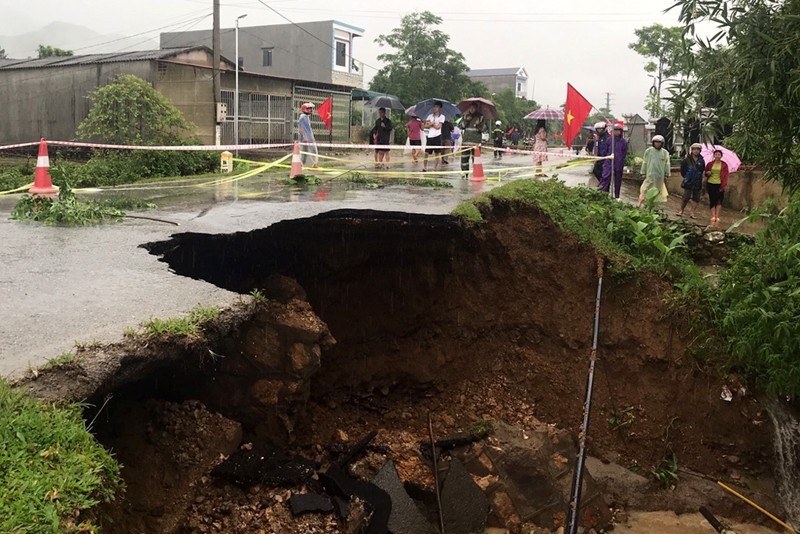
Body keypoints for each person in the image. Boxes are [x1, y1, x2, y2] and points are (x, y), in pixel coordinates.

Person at [638, 134, 670, 208]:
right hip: (649, 175)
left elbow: (667, 164)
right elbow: (645, 162)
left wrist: (667, 173)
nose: (657, 144)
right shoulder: (648, 151)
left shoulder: (665, 153)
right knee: (645, 189)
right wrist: (643, 172)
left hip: (659, 176)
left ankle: (652, 207)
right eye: (656, 142)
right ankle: (639, 204)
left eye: (659, 142)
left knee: (656, 192)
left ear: (662, 143)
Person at [677, 143, 705, 218]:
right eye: (694, 149)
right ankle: (681, 210)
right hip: (688, 180)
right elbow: (683, 170)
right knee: (686, 197)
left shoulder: (701, 160)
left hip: (697, 181)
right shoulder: (686, 160)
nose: (696, 151)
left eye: (697, 149)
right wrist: (687, 177)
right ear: (691, 150)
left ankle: (692, 212)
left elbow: (702, 169)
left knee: (696, 198)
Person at [601, 124, 628, 198]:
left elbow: (624, 152)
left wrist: (621, 160)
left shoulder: (623, 142)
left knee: (618, 180)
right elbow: (605, 150)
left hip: (619, 162)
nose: (616, 132)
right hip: (609, 161)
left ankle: (617, 196)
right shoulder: (609, 140)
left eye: (618, 130)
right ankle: (603, 193)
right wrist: (604, 159)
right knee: (605, 177)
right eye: (615, 130)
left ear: (621, 132)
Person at [704, 148, 729, 225]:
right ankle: (713, 215)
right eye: (716, 154)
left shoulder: (724, 165)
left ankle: (717, 216)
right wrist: (707, 173)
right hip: (711, 183)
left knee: (719, 200)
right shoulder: (710, 164)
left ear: (721, 156)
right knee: (712, 199)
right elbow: (705, 172)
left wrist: (724, 185)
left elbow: (726, 175)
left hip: (720, 183)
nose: (717, 156)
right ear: (714, 155)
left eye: (719, 155)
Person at [459, 102, 485, 176]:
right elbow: (461, 126)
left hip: (476, 143)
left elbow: (483, 129)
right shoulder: (465, 115)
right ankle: (464, 173)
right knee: (464, 158)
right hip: (466, 141)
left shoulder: (480, 117)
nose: (472, 109)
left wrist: (478, 124)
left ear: (476, 108)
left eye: (473, 108)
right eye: (470, 108)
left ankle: (475, 173)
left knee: (476, 159)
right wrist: (467, 120)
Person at [423, 101, 446, 172]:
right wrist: (430, 124)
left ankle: (435, 167)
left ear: (439, 108)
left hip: (437, 136)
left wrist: (432, 124)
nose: (434, 108)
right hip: (430, 136)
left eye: (436, 107)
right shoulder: (430, 116)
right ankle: (424, 167)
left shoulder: (442, 117)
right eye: (434, 106)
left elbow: (438, 127)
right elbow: (425, 126)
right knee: (426, 153)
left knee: (437, 153)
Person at [298, 102, 318, 168]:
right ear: (305, 109)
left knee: (312, 150)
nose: (311, 110)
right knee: (304, 151)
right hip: (305, 138)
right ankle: (301, 164)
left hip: (309, 137)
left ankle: (314, 163)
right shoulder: (303, 117)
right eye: (309, 108)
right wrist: (304, 137)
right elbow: (301, 128)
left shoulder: (307, 117)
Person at [591, 121, 611, 186]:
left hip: (606, 159)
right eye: (598, 129)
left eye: (601, 129)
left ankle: (604, 186)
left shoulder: (607, 137)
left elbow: (607, 149)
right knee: (595, 171)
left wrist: (605, 157)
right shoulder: (600, 137)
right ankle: (602, 184)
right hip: (600, 158)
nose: (599, 131)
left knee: (605, 174)